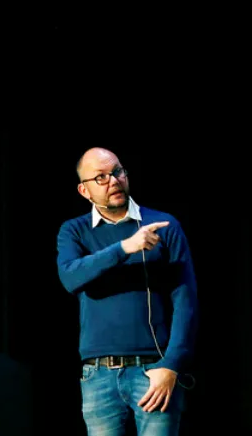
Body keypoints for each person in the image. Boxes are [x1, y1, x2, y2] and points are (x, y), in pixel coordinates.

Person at [56, 147, 199, 436]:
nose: (114, 180)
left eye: (118, 171)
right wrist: (125, 247)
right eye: (101, 177)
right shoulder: (74, 231)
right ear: (84, 190)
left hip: (153, 372)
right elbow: (71, 277)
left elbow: (186, 301)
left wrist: (171, 365)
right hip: (98, 374)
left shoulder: (163, 225)